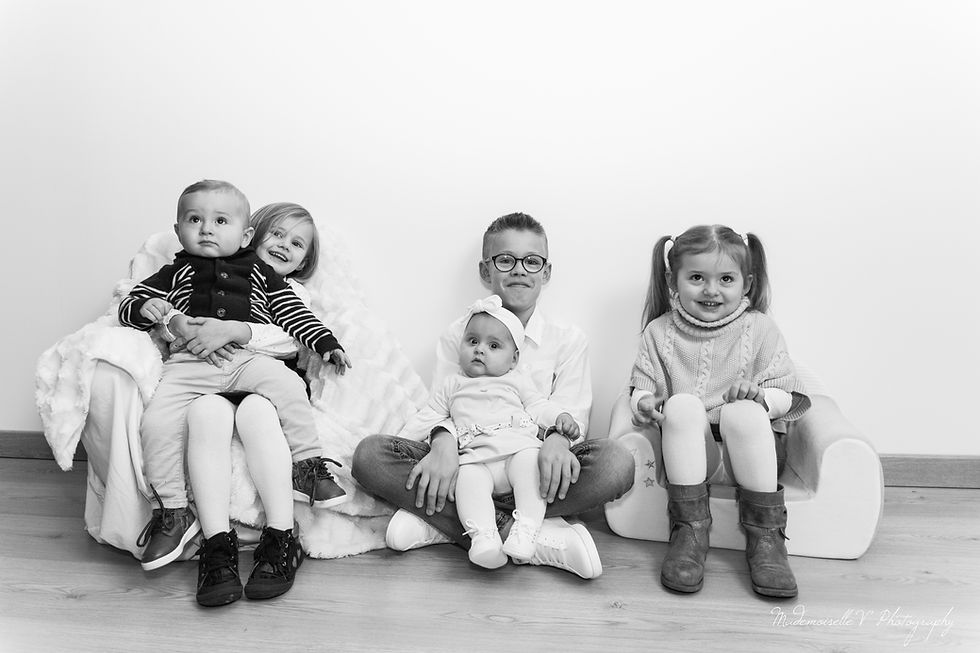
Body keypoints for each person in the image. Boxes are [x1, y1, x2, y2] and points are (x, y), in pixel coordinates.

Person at [352, 212, 635, 580]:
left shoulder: (567, 340)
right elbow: (441, 409)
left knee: (617, 462)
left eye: (532, 261)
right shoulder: (458, 335)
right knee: (369, 456)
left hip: (533, 466)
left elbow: (570, 415)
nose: (519, 270)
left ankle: (444, 525)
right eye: (506, 260)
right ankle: (533, 536)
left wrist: (557, 439)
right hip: (469, 461)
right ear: (486, 271)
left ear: (546, 272)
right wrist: (442, 445)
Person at [119, 181, 352, 571]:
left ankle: (308, 467)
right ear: (179, 231)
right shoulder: (174, 271)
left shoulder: (261, 273)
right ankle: (173, 512)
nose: (207, 229)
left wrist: (326, 342)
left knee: (290, 385)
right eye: (196, 220)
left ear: (242, 235)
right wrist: (149, 308)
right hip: (189, 366)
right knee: (157, 422)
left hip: (246, 359)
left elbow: (293, 316)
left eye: (219, 221)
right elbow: (130, 302)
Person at [629, 224, 810, 598]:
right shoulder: (659, 333)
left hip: (755, 456)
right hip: (695, 461)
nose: (711, 290)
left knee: (742, 411)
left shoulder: (760, 329)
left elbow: (789, 394)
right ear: (672, 281)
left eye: (725, 279)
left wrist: (760, 397)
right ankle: (689, 532)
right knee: (681, 404)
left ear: (746, 284)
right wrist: (643, 404)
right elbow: (641, 388)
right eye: (697, 277)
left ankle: (766, 539)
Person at [186, 202, 325, 606]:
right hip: (212, 379)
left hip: (266, 384)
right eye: (277, 234)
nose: (284, 246)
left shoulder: (294, 292)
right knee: (204, 413)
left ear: (304, 261)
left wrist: (237, 330)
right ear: (250, 235)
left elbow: (293, 338)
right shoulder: (219, 274)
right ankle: (216, 547)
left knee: (256, 412)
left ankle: (282, 536)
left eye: (297, 243)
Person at [400, 295, 581, 569]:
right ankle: (484, 538)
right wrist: (400, 442)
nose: (479, 350)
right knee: (467, 482)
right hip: (474, 459)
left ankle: (526, 530)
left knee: (530, 466)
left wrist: (561, 419)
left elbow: (538, 406)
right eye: (472, 341)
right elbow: (427, 418)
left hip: (517, 452)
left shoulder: (516, 380)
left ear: (514, 358)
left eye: (493, 345)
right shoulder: (453, 385)